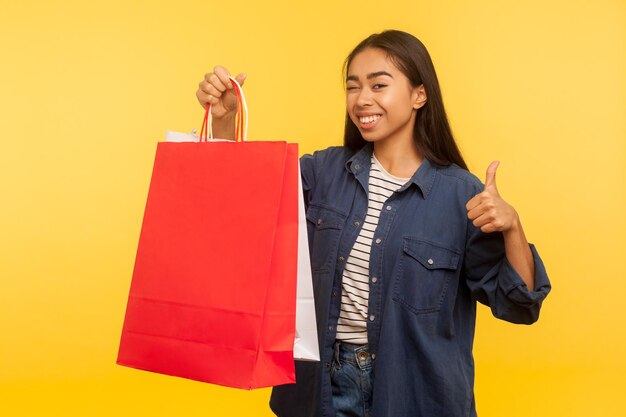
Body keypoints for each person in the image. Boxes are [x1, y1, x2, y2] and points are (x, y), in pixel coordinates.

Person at [195, 30, 551, 417]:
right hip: (319, 391)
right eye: (353, 87)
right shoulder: (324, 172)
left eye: (379, 85)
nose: (362, 99)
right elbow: (242, 209)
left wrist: (513, 225)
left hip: (415, 393)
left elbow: (519, 305)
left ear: (419, 94)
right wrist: (225, 122)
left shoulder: (462, 195)